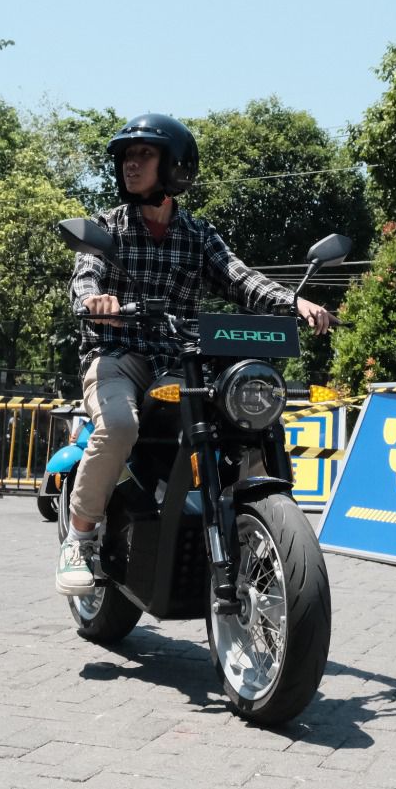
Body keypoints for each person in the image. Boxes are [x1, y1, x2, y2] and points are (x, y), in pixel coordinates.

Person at [56, 113, 335, 594]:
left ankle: (258, 524)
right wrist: (94, 300)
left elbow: (241, 278)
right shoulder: (107, 227)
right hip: (117, 353)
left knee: (244, 420)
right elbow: (86, 275)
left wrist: (296, 303)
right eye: (127, 156)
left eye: (144, 154)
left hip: (178, 360)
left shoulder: (197, 234)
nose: (131, 164)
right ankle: (79, 540)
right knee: (119, 425)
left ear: (175, 166)